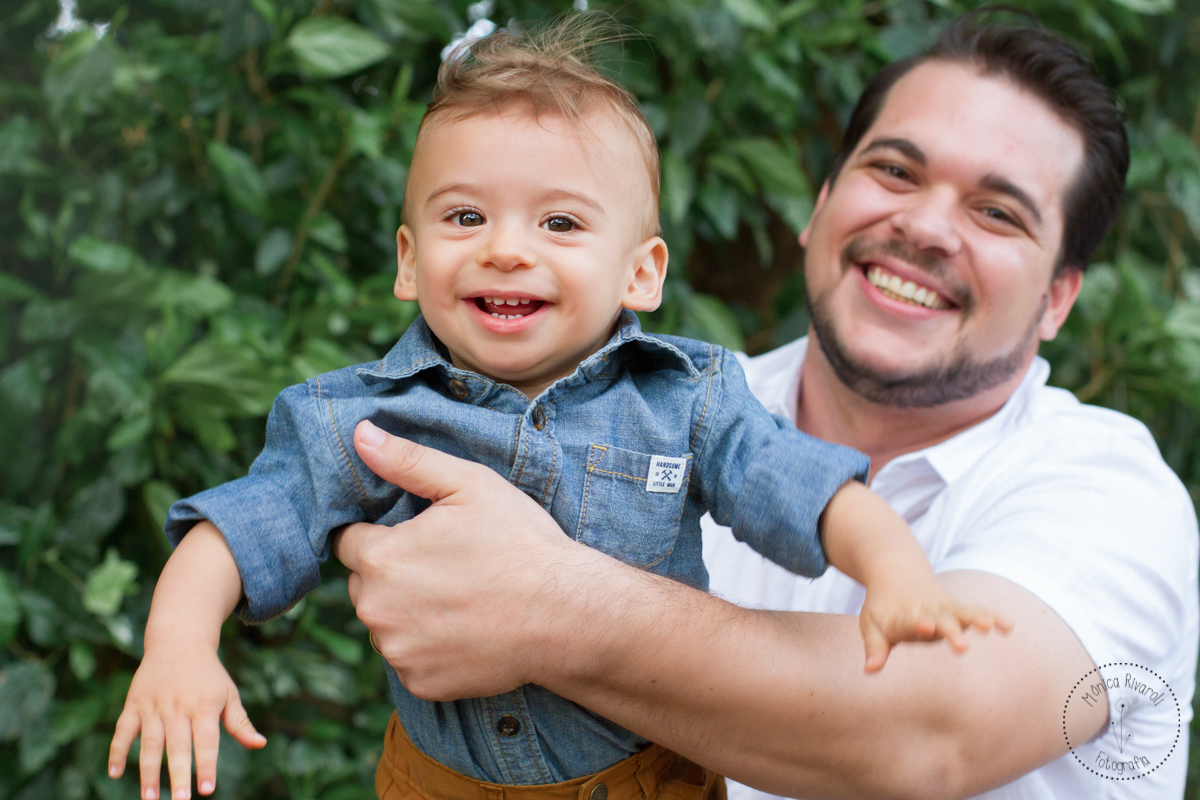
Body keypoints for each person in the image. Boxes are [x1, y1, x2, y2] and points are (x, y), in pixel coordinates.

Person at [106, 18, 1004, 800]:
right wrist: (179, 646)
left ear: (641, 272)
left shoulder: (685, 401)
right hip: (437, 787)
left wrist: (895, 573)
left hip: (653, 781)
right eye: (465, 218)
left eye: (560, 224)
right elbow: (235, 529)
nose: (504, 250)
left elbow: (806, 490)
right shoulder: (363, 421)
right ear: (409, 262)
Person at [331, 10, 1200, 800]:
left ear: (1057, 299)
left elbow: (929, 737)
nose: (928, 227)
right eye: (895, 170)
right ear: (818, 208)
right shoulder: (652, 404)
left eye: (999, 213)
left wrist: (547, 609)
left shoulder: (1113, 491)